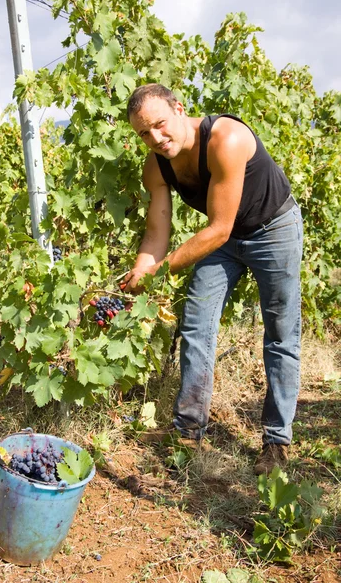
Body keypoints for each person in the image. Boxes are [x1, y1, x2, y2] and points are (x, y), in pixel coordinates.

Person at [122, 83, 303, 475]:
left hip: (273, 229)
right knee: (196, 324)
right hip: (225, 239)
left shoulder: (227, 138)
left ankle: (276, 443)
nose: (155, 137)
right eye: (143, 133)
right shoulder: (156, 165)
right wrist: (141, 267)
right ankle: (187, 432)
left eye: (160, 124)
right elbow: (157, 232)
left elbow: (218, 228)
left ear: (179, 108)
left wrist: (158, 272)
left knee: (280, 333)